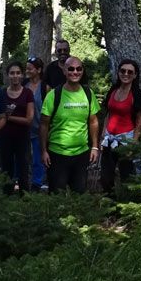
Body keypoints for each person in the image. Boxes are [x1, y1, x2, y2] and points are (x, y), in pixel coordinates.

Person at [40, 56, 100, 192]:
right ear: (64, 71)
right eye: (71, 69)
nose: (75, 72)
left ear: (82, 71)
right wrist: (43, 151)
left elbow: (93, 121)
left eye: (79, 69)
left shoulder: (88, 93)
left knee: (79, 196)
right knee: (57, 196)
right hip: (57, 154)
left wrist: (95, 147)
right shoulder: (53, 95)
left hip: (81, 154)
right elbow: (43, 124)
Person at [100, 58, 141, 192]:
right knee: (106, 177)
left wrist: (134, 144)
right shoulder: (113, 90)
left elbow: (139, 121)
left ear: (135, 75)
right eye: (123, 71)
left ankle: (126, 202)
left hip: (126, 140)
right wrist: (103, 133)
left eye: (130, 72)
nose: (126, 74)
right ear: (118, 72)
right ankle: (109, 200)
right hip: (109, 139)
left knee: (127, 176)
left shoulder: (137, 95)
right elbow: (108, 113)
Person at [0, 62, 34, 193]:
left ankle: (25, 197)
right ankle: (6, 197)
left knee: (23, 167)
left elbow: (29, 119)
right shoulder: (2, 93)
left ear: (22, 75)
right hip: (5, 136)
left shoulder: (27, 93)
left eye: (18, 73)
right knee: (6, 168)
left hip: (22, 137)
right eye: (12, 73)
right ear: (8, 75)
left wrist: (9, 117)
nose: (15, 76)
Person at [25, 56, 48, 190]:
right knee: (24, 157)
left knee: (38, 158)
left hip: (40, 129)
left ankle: (37, 183)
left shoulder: (45, 87)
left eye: (30, 68)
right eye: (26, 68)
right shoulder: (24, 85)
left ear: (38, 70)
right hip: (25, 128)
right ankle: (21, 181)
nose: (27, 71)